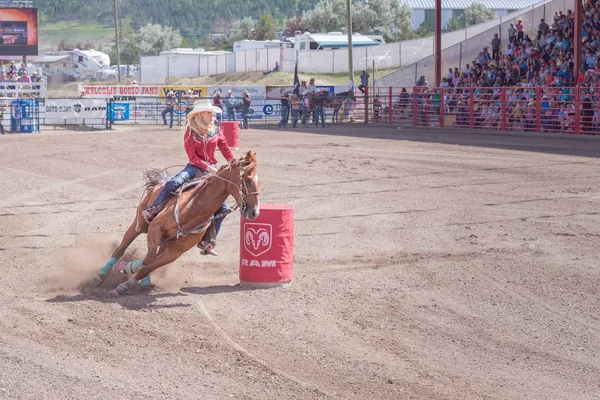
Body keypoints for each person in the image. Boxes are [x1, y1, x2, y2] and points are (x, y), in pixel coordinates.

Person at [142, 99, 236, 256]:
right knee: (174, 182)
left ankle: (208, 241)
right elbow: (192, 157)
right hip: (195, 168)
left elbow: (225, 149)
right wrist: (208, 167)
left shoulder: (216, 130)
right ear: (200, 115)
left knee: (224, 208)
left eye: (212, 112)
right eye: (208, 112)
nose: (212, 115)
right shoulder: (190, 131)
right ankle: (154, 208)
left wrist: (234, 162)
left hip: (211, 170)